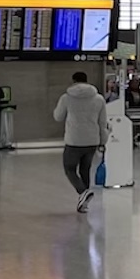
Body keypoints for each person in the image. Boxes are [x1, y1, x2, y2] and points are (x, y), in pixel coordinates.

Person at [53, 71, 109, 212]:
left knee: (69, 168)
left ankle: (83, 192)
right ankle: (83, 203)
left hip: (74, 139)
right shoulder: (99, 99)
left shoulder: (66, 98)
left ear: (73, 81)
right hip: (92, 139)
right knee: (85, 169)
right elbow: (103, 122)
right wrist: (103, 140)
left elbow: (58, 117)